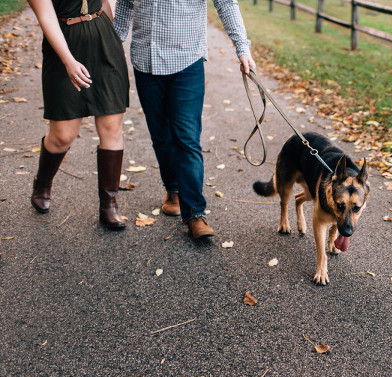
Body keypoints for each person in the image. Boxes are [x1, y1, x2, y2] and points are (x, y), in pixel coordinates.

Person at [113, 0, 256, 240]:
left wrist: (242, 48)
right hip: (145, 59)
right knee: (160, 135)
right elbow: (125, 5)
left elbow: (226, 3)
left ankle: (195, 214)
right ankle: (174, 189)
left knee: (187, 138)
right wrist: (112, 45)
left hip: (186, 59)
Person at [28, 0, 130, 230]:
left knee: (112, 127)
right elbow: (45, 17)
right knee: (63, 135)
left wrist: (108, 33)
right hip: (64, 44)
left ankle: (109, 205)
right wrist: (68, 61)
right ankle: (42, 184)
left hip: (103, 40)